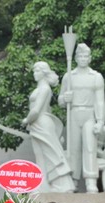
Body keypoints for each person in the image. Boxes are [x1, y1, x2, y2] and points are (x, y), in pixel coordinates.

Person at [59, 43, 105, 193]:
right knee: (73, 148)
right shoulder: (69, 76)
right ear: (76, 58)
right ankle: (72, 180)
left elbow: (100, 101)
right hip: (73, 113)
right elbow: (60, 100)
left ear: (90, 58)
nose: (83, 58)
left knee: (90, 147)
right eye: (80, 56)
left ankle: (91, 181)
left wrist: (100, 121)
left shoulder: (96, 77)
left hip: (89, 114)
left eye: (86, 56)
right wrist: (65, 98)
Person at [24, 61, 76, 192]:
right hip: (36, 124)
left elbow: (36, 110)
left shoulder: (45, 89)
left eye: (37, 71)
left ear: (44, 72)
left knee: (52, 154)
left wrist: (26, 120)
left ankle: (64, 185)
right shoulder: (39, 88)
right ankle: (42, 185)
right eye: (34, 71)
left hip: (41, 122)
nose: (34, 73)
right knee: (39, 155)